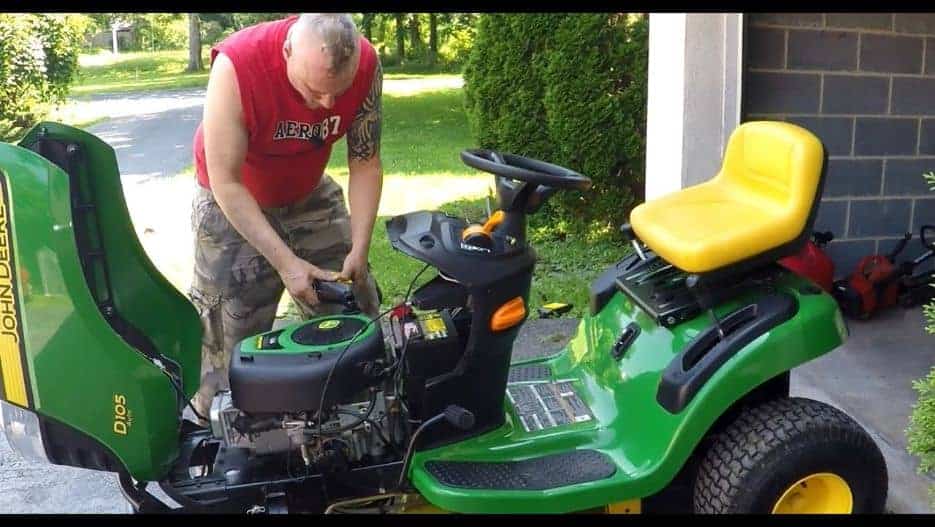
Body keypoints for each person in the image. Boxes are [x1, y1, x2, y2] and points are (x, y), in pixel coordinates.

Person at [187, 13, 383, 423]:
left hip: (308, 191)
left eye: (337, 93)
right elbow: (226, 183)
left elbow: (365, 161)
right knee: (228, 340)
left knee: (354, 312)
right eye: (313, 90)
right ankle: (213, 430)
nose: (326, 106)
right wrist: (285, 263)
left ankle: (354, 421)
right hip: (233, 204)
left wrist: (360, 250)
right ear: (288, 51)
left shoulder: (365, 63)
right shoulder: (237, 67)